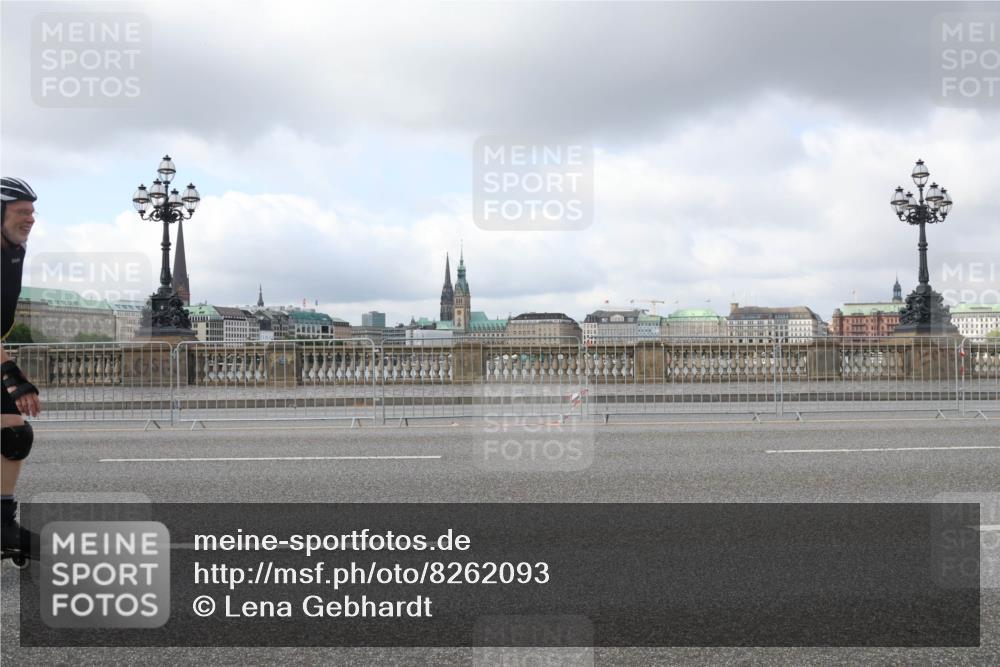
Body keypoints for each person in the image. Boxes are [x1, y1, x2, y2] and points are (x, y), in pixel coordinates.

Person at [1, 177, 42, 557]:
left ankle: (2, 524)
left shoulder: (15, 249)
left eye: (32, 212)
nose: (30, 218)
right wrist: (14, 377)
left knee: (14, 434)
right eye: (22, 211)